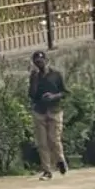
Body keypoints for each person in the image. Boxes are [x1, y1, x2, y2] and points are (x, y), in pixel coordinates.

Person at [29, 51, 68, 179]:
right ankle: (47, 170)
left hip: (55, 110)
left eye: (41, 61)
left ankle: (60, 160)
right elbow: (32, 95)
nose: (39, 64)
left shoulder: (56, 74)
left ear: (46, 60)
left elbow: (65, 92)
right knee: (42, 142)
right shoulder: (34, 76)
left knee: (54, 139)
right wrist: (34, 80)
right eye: (36, 62)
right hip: (39, 111)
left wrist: (53, 96)